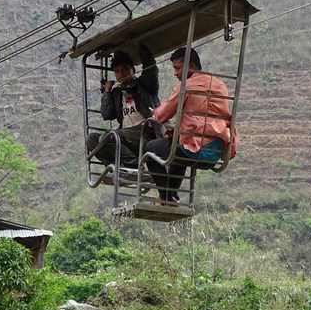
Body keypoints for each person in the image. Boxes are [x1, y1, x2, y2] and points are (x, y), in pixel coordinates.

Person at [144, 47, 237, 206]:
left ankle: (166, 196)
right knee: (176, 144)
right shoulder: (220, 85)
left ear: (191, 66)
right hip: (215, 152)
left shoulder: (186, 86)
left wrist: (155, 113)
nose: (176, 73)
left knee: (151, 148)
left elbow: (162, 115)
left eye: (178, 68)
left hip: (196, 149)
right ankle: (171, 196)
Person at [85, 43, 159, 171]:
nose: (122, 73)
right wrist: (107, 91)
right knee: (92, 140)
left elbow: (151, 71)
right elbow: (107, 114)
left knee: (110, 136)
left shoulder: (144, 85)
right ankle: (117, 168)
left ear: (133, 70)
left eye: (125, 69)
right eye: (117, 71)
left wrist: (139, 43)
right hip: (125, 137)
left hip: (145, 132)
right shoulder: (118, 93)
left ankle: (135, 165)